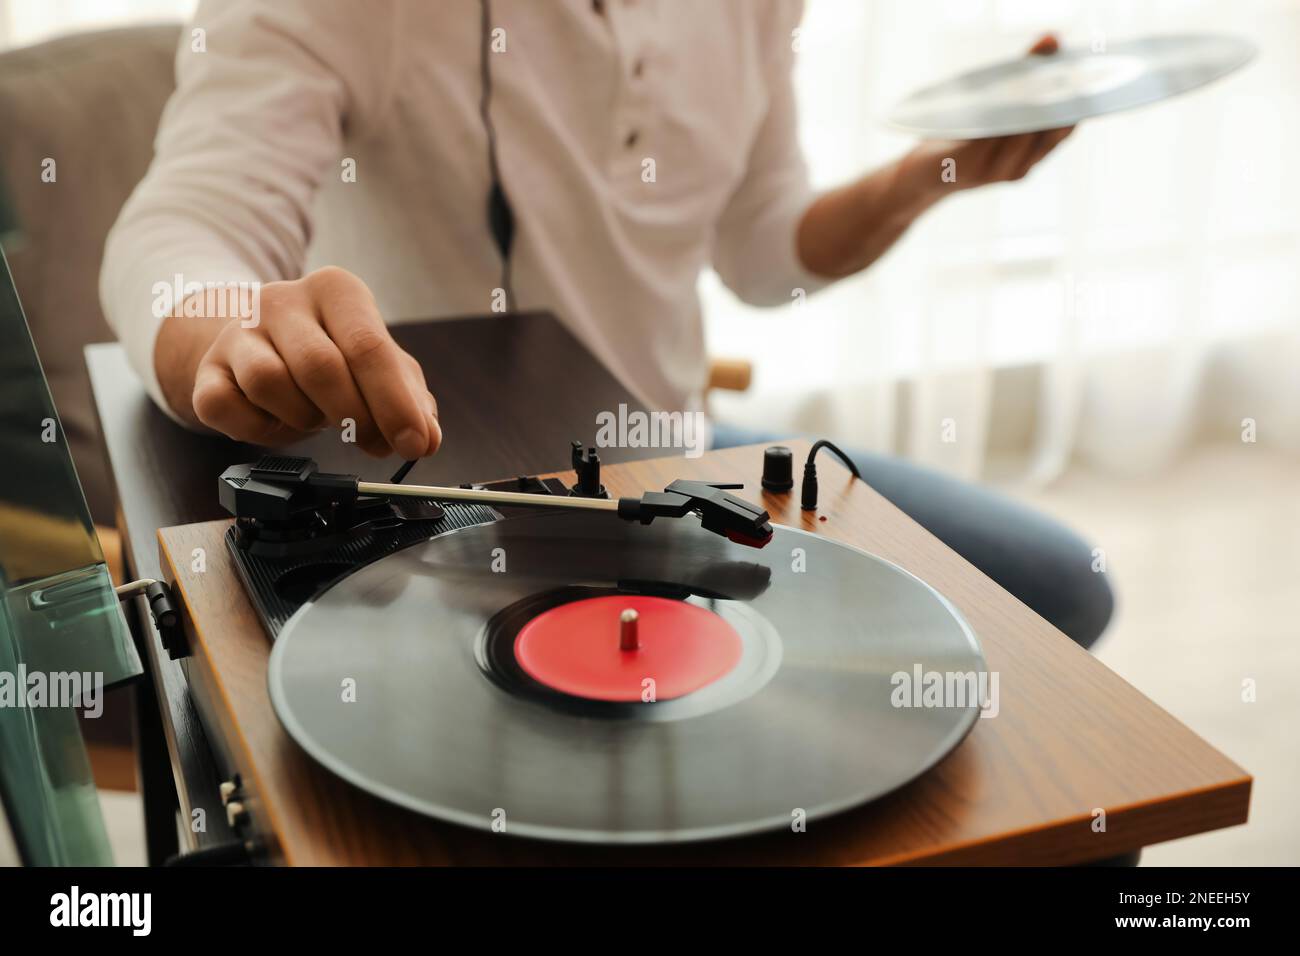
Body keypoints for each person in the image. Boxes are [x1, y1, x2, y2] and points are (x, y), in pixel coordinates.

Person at [101, 0, 1111, 647]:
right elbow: (182, 223)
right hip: (456, 520)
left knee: (1068, 592)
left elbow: (763, 250)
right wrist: (227, 330)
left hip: (685, 460)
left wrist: (927, 173)